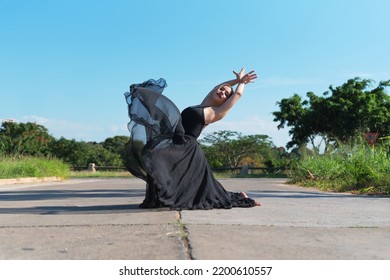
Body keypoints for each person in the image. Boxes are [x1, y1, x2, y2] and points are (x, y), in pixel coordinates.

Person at [124, 67, 260, 210]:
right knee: (151, 152)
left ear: (226, 101)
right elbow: (217, 87)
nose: (222, 92)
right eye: (221, 89)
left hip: (186, 147)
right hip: (176, 141)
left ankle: (241, 197)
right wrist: (235, 80)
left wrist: (242, 83)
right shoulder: (203, 104)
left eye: (226, 94)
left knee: (157, 156)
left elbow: (237, 94)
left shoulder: (216, 112)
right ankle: (159, 196)